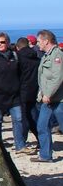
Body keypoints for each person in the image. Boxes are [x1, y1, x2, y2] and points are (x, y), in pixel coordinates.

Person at [0, 31, 26, 153]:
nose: (0, 44)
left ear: (7, 42)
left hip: (14, 95)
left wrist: (18, 87)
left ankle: (20, 145)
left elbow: (21, 73)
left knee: (18, 119)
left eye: (2, 42)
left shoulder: (15, 56)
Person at [34, 30, 63, 163]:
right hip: (47, 99)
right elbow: (44, 78)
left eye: (39, 41)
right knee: (42, 126)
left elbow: (58, 77)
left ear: (46, 41)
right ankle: (45, 155)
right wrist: (42, 95)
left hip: (57, 99)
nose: (37, 43)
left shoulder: (57, 55)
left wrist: (48, 94)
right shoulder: (46, 55)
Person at [16, 37, 40, 148]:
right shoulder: (36, 57)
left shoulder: (19, 58)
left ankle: (22, 141)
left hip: (22, 90)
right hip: (34, 89)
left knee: (23, 118)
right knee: (33, 116)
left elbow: (17, 75)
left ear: (18, 47)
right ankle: (40, 139)